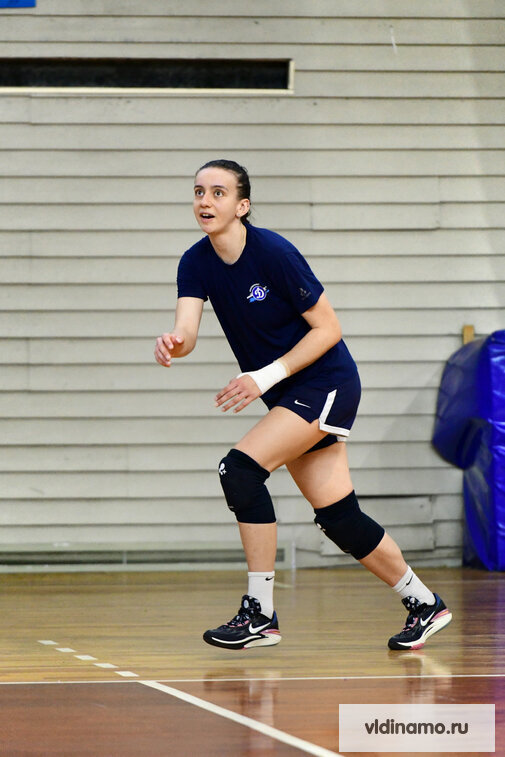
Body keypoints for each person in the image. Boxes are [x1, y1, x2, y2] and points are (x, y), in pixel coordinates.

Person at [154, 159, 452, 652]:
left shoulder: (273, 252)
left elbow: (329, 328)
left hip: (325, 382)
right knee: (338, 517)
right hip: (289, 393)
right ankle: (424, 604)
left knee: (239, 471)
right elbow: (186, 331)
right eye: (199, 191)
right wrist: (173, 343)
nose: (205, 201)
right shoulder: (194, 262)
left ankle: (260, 613)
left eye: (219, 192)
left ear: (242, 206)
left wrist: (264, 377)